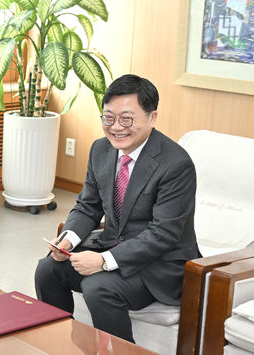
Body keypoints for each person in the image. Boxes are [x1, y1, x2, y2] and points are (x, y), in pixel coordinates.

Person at [34, 74, 201, 343]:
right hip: (112, 247)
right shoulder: (101, 150)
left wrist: (103, 261)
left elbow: (164, 234)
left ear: (152, 118)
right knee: (48, 270)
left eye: (126, 119)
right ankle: (61, 345)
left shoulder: (176, 164)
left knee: (98, 287)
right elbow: (88, 206)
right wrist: (68, 241)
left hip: (158, 266)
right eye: (108, 118)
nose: (116, 127)